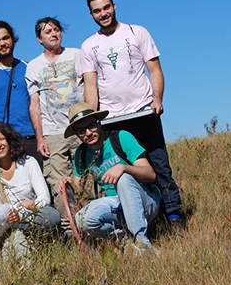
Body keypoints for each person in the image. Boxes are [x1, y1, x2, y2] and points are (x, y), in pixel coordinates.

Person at [82, 0, 184, 229]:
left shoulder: (137, 32)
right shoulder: (89, 46)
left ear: (114, 6)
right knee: (122, 171)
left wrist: (157, 100)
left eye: (106, 7)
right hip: (112, 119)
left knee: (158, 163)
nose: (103, 13)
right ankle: (136, 218)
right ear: (91, 15)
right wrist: (91, 119)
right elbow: (90, 84)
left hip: (143, 111)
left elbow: (155, 69)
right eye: (97, 11)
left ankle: (174, 214)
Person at [58, 103, 161, 254]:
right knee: (81, 220)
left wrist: (124, 168)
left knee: (124, 179)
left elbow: (150, 175)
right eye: (81, 130)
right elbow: (78, 188)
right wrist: (66, 183)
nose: (88, 133)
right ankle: (125, 240)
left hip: (144, 200)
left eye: (91, 126)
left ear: (99, 123)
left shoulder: (121, 137)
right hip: (116, 204)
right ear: (76, 134)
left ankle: (142, 242)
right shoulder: (81, 153)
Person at [25, 17, 84, 230]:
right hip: (53, 133)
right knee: (59, 183)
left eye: (56, 29)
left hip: (80, 129)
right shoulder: (33, 66)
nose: (53, 34)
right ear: (39, 39)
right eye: (48, 31)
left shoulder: (77, 55)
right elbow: (34, 105)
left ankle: (92, 224)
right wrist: (40, 137)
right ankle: (70, 230)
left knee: (87, 177)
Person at [0, 121, 60, 263]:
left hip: (29, 219)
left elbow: (44, 198)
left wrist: (22, 213)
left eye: (1, 139)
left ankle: (24, 238)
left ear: (9, 140)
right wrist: (9, 214)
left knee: (52, 216)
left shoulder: (28, 162)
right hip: (4, 223)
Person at [0, 20, 43, 169]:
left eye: (5, 38)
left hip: (33, 139)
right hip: (5, 144)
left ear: (13, 39)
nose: (2, 43)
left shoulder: (28, 67)